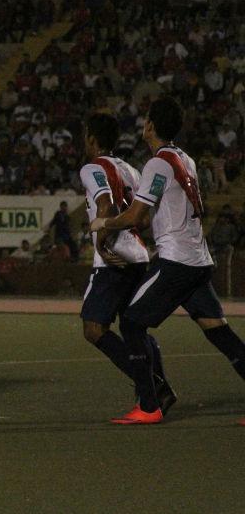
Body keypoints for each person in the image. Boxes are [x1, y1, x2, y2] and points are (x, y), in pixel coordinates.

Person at [91, 98, 245, 424]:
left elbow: (136, 215)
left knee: (131, 323)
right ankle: (151, 401)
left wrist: (103, 223)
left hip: (178, 261)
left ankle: (149, 405)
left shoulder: (158, 164)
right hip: (198, 258)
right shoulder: (185, 159)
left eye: (146, 119)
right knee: (218, 331)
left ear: (150, 126)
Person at [80, 114, 176, 413]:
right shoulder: (131, 170)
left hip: (114, 258)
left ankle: (153, 386)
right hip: (138, 255)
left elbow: (106, 205)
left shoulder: (93, 167)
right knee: (135, 330)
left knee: (94, 328)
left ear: (92, 139)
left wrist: (101, 241)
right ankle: (158, 389)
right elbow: (143, 219)